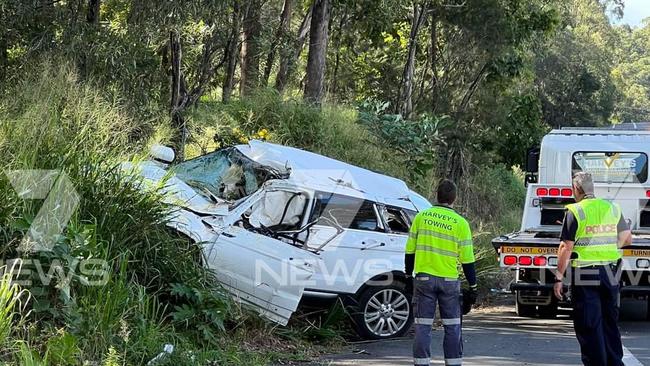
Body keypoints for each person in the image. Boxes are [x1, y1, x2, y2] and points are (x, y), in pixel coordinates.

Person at [553, 172, 632, 366]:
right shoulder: (612, 208)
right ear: (592, 188)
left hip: (585, 273)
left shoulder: (576, 211)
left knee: (589, 324)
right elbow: (627, 239)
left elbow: (566, 247)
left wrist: (558, 278)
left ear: (576, 189)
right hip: (610, 273)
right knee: (609, 323)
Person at [405, 179, 477, 366]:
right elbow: (467, 260)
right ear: (454, 198)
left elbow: (409, 250)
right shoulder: (461, 223)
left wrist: (408, 274)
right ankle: (453, 363)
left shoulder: (421, 217)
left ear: (437, 195)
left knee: (423, 326)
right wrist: (473, 285)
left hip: (424, 279)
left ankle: (421, 363)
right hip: (449, 281)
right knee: (453, 326)